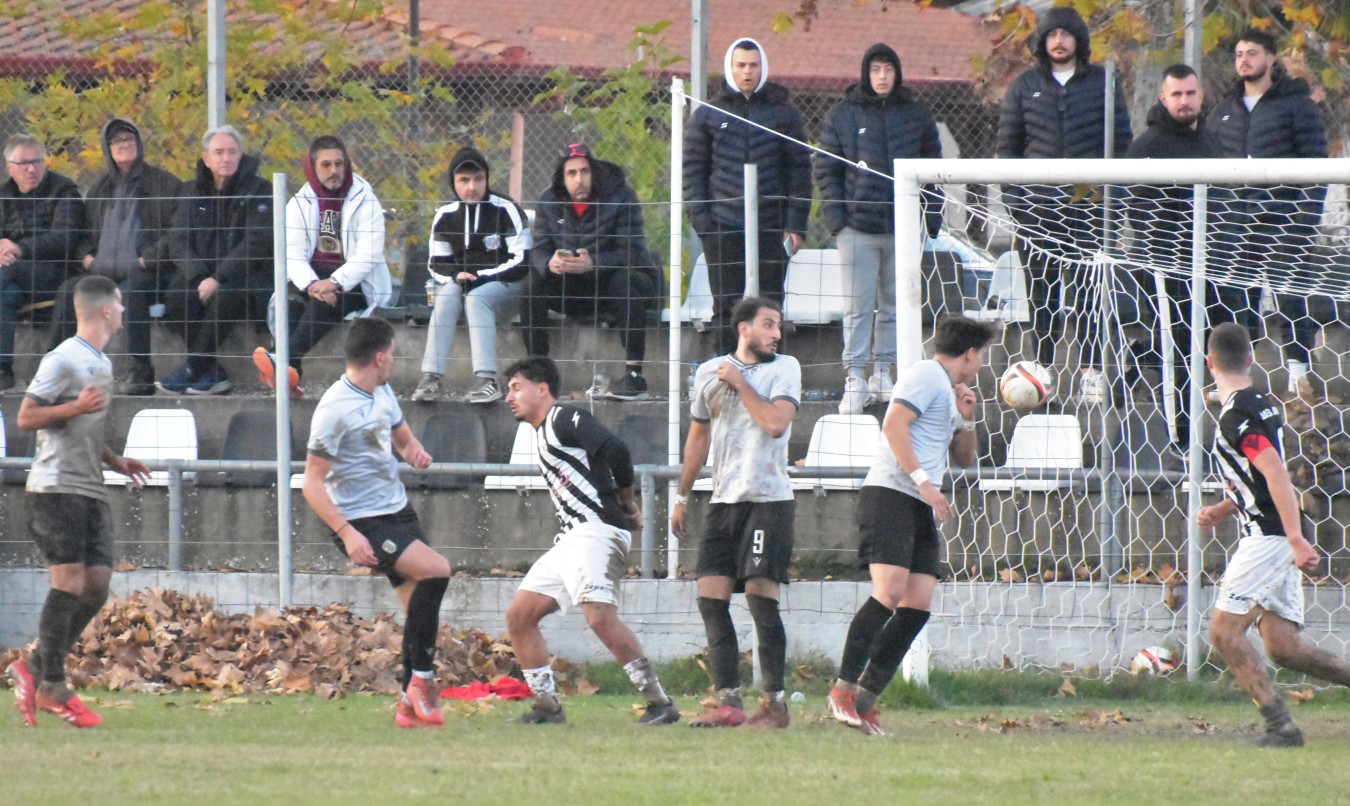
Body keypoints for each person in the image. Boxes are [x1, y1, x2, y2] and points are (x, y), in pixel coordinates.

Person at [827, 315, 993, 736]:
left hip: (918, 501)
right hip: (890, 493)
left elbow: (964, 458)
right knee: (889, 592)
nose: (981, 364)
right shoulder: (925, 374)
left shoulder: (948, 389)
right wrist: (924, 482)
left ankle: (866, 700)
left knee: (917, 605)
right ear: (970, 353)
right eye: (982, 355)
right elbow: (893, 424)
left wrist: (967, 418)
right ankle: (842, 689)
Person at [501, 356, 680, 726]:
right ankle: (548, 707)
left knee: (598, 616)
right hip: (572, 537)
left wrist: (627, 502)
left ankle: (660, 703)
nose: (508, 397)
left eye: (516, 388)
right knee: (519, 616)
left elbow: (617, 450)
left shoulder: (564, 418)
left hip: (596, 530)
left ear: (542, 389)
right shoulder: (542, 432)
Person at [6, 275, 150, 728]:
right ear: (106, 310)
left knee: (97, 585)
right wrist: (74, 408)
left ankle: (33, 666)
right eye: (120, 305)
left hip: (90, 486)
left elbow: (85, 426)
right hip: (55, 488)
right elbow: (26, 416)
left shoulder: (101, 363)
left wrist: (114, 459)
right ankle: (53, 684)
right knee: (68, 581)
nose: (123, 312)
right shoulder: (63, 358)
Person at [1199, 322, 1350, 747]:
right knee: (1284, 648)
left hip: (1269, 536)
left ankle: (1280, 728)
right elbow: (1258, 481)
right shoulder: (1261, 403)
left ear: (1209, 363)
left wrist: (1295, 538)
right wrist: (1223, 509)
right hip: (1275, 530)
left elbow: (1275, 472)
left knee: (1224, 632)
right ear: (1250, 360)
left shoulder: (1236, 415)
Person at [302, 317, 451, 728]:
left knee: (417, 611)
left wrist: (413, 451)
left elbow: (402, 437)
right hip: (362, 521)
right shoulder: (334, 409)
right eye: (394, 354)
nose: (395, 361)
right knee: (437, 571)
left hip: (397, 510)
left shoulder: (382, 392)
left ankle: (407, 707)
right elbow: (311, 484)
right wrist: (347, 534)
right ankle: (422, 681)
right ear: (380, 358)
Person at [672, 296, 800, 728]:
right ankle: (728, 701)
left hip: (769, 500)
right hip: (723, 501)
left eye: (778, 326)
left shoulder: (785, 369)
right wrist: (682, 495)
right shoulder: (709, 372)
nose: (776, 334)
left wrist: (742, 383)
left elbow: (776, 424)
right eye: (768, 325)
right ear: (743, 329)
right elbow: (698, 436)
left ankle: (775, 704)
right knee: (711, 599)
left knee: (762, 600)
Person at [997, 6, 1131, 403]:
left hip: (1090, 209)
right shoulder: (1023, 86)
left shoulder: (1104, 83)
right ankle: (1042, 374)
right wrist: (1017, 204)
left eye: (1066, 34)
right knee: (1043, 298)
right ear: (1042, 40)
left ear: (1079, 40)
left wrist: (1114, 202)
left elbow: (1121, 144)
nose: (1059, 41)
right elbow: (1007, 151)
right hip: (1037, 212)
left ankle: (1091, 373)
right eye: (1052, 34)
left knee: (1090, 295)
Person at [816, 43, 943, 415]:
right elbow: (826, 170)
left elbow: (934, 169)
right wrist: (837, 221)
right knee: (858, 307)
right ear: (865, 73)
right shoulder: (843, 115)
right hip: (857, 229)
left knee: (895, 305)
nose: (882, 76)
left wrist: (932, 217)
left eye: (888, 69)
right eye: (876, 70)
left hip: (903, 228)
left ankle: (884, 372)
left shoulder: (917, 115)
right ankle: (854, 377)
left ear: (897, 72)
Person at [1209, 28, 1329, 397]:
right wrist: (1218, 219)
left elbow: (1316, 166)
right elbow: (1210, 168)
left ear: (1271, 58)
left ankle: (1299, 378)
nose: (1244, 60)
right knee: (1236, 306)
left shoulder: (1296, 105)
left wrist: (1304, 220)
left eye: (1252, 53)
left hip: (1283, 222)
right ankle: (1236, 381)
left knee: (1292, 301)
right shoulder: (1223, 111)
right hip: (1234, 226)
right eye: (1239, 54)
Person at [1124, 64, 1236, 449]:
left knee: (1223, 340)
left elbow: (1223, 201)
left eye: (1190, 93)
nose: (1184, 101)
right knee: (1179, 351)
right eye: (1177, 94)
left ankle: (1143, 356)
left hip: (1214, 265)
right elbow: (1138, 212)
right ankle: (1181, 442)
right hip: (1168, 268)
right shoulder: (1148, 148)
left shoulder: (1212, 141)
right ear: (1163, 98)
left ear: (1200, 96)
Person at [684, 38, 811, 354]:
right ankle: (727, 370)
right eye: (740, 65)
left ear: (762, 68)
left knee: (770, 306)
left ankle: (771, 372)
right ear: (730, 68)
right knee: (726, 307)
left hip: (772, 226)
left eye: (753, 65)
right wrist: (704, 224)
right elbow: (693, 172)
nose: (747, 72)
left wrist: (795, 226)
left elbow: (799, 173)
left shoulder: (784, 114)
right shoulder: (708, 114)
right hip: (722, 227)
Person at [50, 119, 182, 396]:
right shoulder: (99, 189)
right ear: (107, 148)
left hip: (148, 272)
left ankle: (140, 373)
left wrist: (148, 259)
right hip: (101, 273)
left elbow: (177, 232)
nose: (124, 145)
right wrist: (85, 258)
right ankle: (56, 372)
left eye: (129, 139)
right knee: (68, 291)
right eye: (117, 141)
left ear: (140, 143)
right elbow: (82, 235)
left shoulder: (165, 183)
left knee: (131, 293)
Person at [255, 135, 392, 397]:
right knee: (290, 301)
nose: (334, 171)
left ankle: (282, 366)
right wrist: (312, 285)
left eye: (339, 164)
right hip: (313, 278)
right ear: (313, 166)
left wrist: (334, 283)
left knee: (323, 304)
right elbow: (292, 254)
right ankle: (289, 374)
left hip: (355, 282)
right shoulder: (299, 203)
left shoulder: (366, 199)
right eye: (326, 165)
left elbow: (369, 254)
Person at [523, 143, 660, 401]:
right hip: (573, 285)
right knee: (533, 283)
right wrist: (550, 263)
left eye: (584, 171)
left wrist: (594, 263)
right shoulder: (548, 201)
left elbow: (634, 252)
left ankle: (634, 375)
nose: (579, 179)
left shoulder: (621, 196)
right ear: (562, 179)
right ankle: (537, 373)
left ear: (593, 172)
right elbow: (538, 249)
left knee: (624, 281)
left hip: (613, 283)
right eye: (572, 173)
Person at [410, 147, 529, 404]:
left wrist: (481, 277)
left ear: (486, 179)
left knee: (476, 299)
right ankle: (431, 377)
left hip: (507, 284)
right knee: (446, 295)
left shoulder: (506, 209)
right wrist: (456, 276)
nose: (472, 187)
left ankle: (487, 381)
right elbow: (437, 263)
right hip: (466, 283)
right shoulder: (445, 215)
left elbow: (522, 260)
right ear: (453, 183)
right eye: (464, 180)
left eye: (478, 179)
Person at [159, 125, 273, 395]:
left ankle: (194, 367)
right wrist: (200, 276)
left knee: (225, 297)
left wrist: (218, 278)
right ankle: (212, 373)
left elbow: (256, 244)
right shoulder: (191, 191)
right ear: (206, 158)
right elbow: (178, 240)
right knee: (176, 296)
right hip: (200, 274)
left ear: (241, 155)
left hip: (245, 276)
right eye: (219, 152)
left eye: (232, 152)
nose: (226, 158)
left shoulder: (259, 190)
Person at [0, 134, 87, 392]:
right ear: (9, 168)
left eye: (37, 161)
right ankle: (3, 370)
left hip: (57, 273)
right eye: (24, 163)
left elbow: (66, 239)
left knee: (7, 273)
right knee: (4, 295)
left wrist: (19, 249)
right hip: (14, 279)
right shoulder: (4, 197)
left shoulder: (64, 192)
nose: (31, 168)